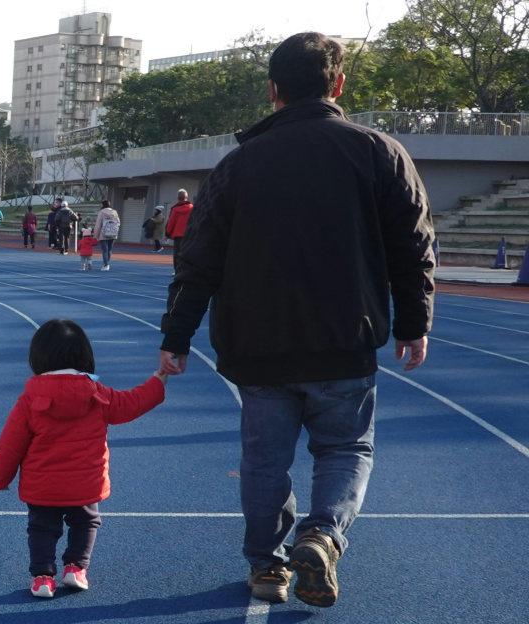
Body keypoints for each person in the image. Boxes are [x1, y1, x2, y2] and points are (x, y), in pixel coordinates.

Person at [158, 32, 436, 609]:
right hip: (345, 342)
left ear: (272, 90)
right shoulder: (380, 153)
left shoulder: (239, 165)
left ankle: (267, 566)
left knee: (264, 461)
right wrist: (415, 322)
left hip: (258, 345)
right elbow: (414, 246)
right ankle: (324, 534)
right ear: (338, 84)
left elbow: (198, 259)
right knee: (345, 450)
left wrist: (176, 337)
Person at [0, 319, 167, 599]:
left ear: (38, 356)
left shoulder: (29, 399)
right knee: (85, 523)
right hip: (85, 484)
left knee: (41, 527)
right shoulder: (99, 395)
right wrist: (158, 381)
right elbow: (133, 403)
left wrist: (0, 479)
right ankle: (75, 568)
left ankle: (43, 577)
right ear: (85, 355)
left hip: (42, 486)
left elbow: (10, 444)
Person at [165, 190, 194, 272]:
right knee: (188, 253)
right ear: (187, 197)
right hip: (189, 234)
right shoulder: (192, 208)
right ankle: (188, 270)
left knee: (177, 254)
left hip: (178, 235)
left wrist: (167, 233)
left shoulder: (175, 209)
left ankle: (177, 271)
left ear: (178, 198)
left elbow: (171, 222)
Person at [93, 200, 120, 270]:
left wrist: (95, 235)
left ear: (103, 205)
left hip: (104, 234)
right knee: (109, 250)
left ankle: (106, 265)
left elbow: (98, 225)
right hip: (113, 233)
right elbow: (118, 222)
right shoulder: (115, 212)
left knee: (105, 250)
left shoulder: (101, 213)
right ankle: (107, 263)